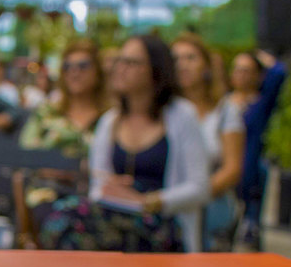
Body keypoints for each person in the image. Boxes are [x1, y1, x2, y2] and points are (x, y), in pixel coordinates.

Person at [37, 35, 209, 253]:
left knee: (71, 225)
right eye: (120, 61)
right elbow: (98, 187)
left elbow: (200, 188)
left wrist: (149, 201)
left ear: (155, 70)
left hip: (164, 225)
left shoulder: (182, 116)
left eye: (131, 62)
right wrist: (112, 191)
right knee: (61, 220)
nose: (120, 68)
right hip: (116, 219)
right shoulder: (110, 121)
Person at [15, 39, 108, 247]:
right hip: (49, 193)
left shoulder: (110, 117)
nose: (74, 72)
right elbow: (26, 155)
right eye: (67, 66)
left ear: (98, 71)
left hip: (98, 197)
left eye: (83, 66)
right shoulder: (47, 112)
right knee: (63, 226)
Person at [172, 33, 244, 251]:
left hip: (211, 210)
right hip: (168, 212)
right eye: (175, 59)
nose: (182, 65)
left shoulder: (225, 111)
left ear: (206, 66)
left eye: (190, 57)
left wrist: (192, 195)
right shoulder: (164, 110)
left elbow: (232, 169)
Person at [229, 49, 287, 249]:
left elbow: (279, 74)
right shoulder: (224, 101)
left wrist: (268, 60)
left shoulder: (261, 103)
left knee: (248, 236)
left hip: (249, 175)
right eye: (237, 69)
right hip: (224, 177)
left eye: (246, 70)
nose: (240, 75)